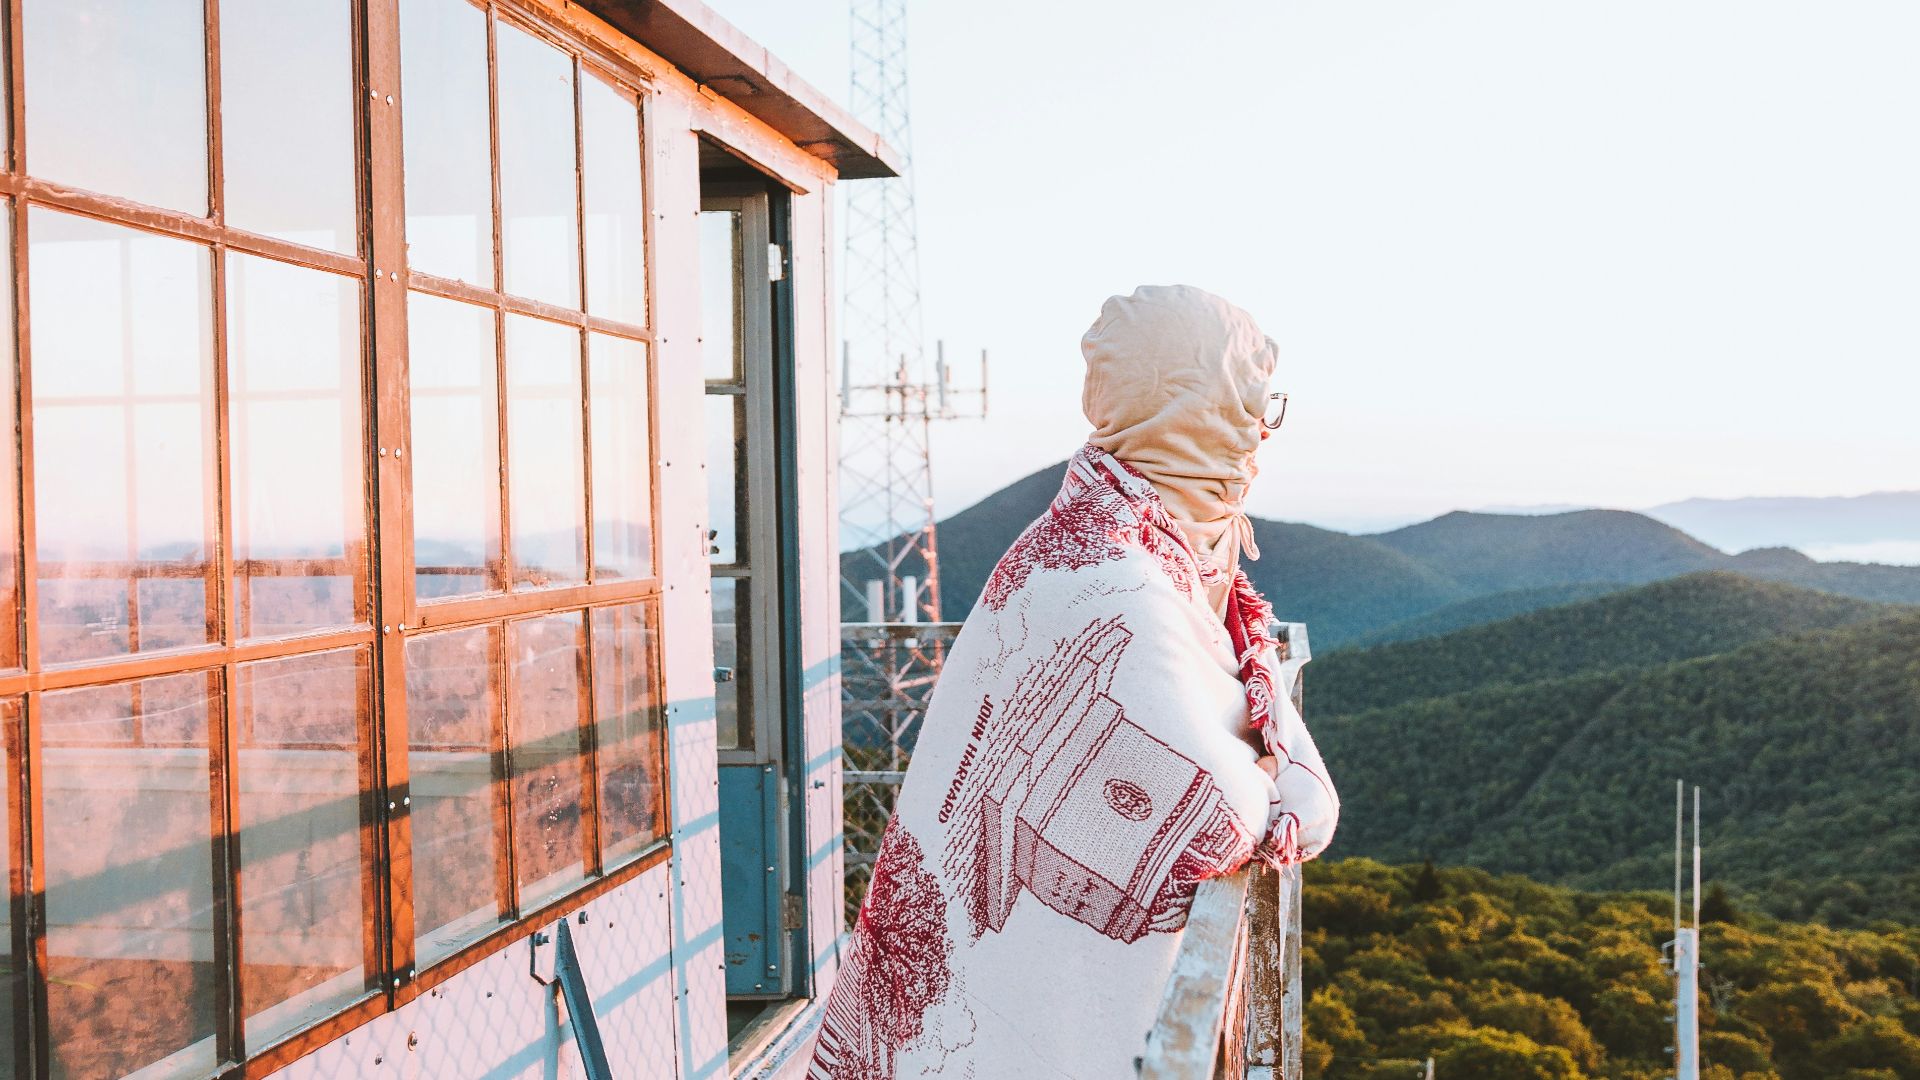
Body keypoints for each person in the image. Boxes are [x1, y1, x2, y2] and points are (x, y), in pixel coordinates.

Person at [809, 284, 1340, 1079]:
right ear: (1201, 409)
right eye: (1253, 401)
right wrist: (1276, 781)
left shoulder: (1110, 535)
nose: (1264, 431)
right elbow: (1218, 817)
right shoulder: (1114, 576)